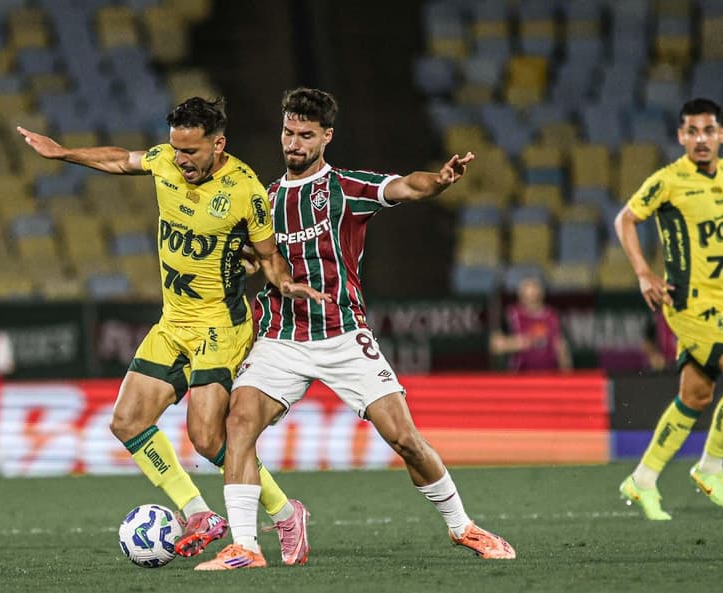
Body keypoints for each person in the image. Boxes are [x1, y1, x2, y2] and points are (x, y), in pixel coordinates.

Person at [194, 88, 515, 570]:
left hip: (344, 334)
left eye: (305, 135)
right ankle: (245, 546)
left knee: (404, 438)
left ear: (326, 137)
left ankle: (463, 526)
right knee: (238, 425)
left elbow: (406, 186)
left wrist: (441, 181)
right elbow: (254, 256)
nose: (294, 143)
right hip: (283, 336)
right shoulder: (265, 200)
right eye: (288, 133)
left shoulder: (345, 188)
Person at [17, 97, 330, 558]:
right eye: (176, 150)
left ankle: (286, 515)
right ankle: (197, 510)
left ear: (217, 144)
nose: (181, 160)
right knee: (126, 422)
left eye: (192, 152)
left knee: (207, 440)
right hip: (173, 322)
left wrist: (285, 283)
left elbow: (266, 256)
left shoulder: (245, 189)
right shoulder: (164, 161)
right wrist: (63, 153)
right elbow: (119, 160)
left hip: (219, 327)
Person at [614, 97, 723, 519]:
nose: (701, 139)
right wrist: (644, 272)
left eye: (709, 130)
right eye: (692, 131)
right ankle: (711, 466)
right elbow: (624, 219)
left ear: (721, 135)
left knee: (696, 395)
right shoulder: (669, 181)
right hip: (688, 302)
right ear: (681, 136)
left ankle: (642, 480)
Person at [489, 276, 572, 372]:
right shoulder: (511, 315)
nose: (530, 301)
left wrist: (566, 375)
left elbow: (561, 348)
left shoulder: (552, 316)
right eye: (526, 297)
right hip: (520, 376)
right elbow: (495, 345)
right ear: (520, 296)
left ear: (541, 295)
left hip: (549, 376)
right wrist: (519, 343)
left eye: (533, 297)